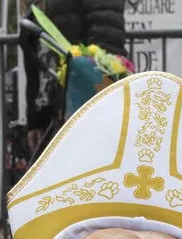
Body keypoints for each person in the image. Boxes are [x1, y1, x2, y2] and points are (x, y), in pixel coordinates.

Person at [22, 0, 126, 153]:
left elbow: (107, 47)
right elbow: (35, 49)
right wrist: (36, 118)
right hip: (53, 112)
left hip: (85, 109)